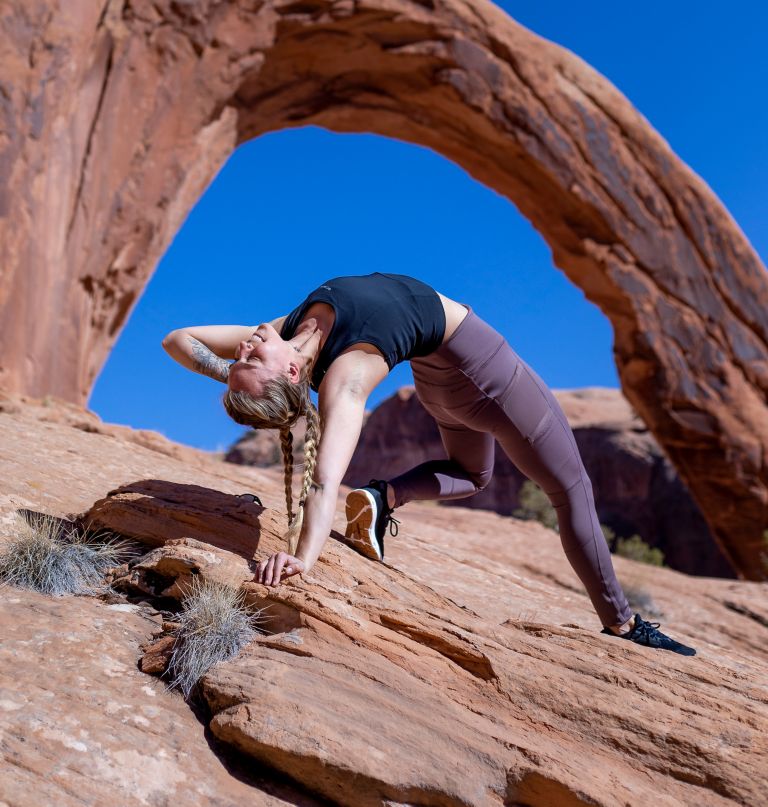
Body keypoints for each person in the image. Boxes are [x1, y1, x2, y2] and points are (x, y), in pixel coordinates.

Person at [162, 272, 696, 656]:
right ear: (295, 376)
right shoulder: (346, 375)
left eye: (241, 358)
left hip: (441, 384)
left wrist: (234, 377)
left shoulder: (288, 332)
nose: (245, 350)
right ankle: (623, 625)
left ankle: (384, 497)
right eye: (251, 361)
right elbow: (324, 479)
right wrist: (302, 558)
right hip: (487, 376)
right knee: (572, 489)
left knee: (475, 475)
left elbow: (177, 340)